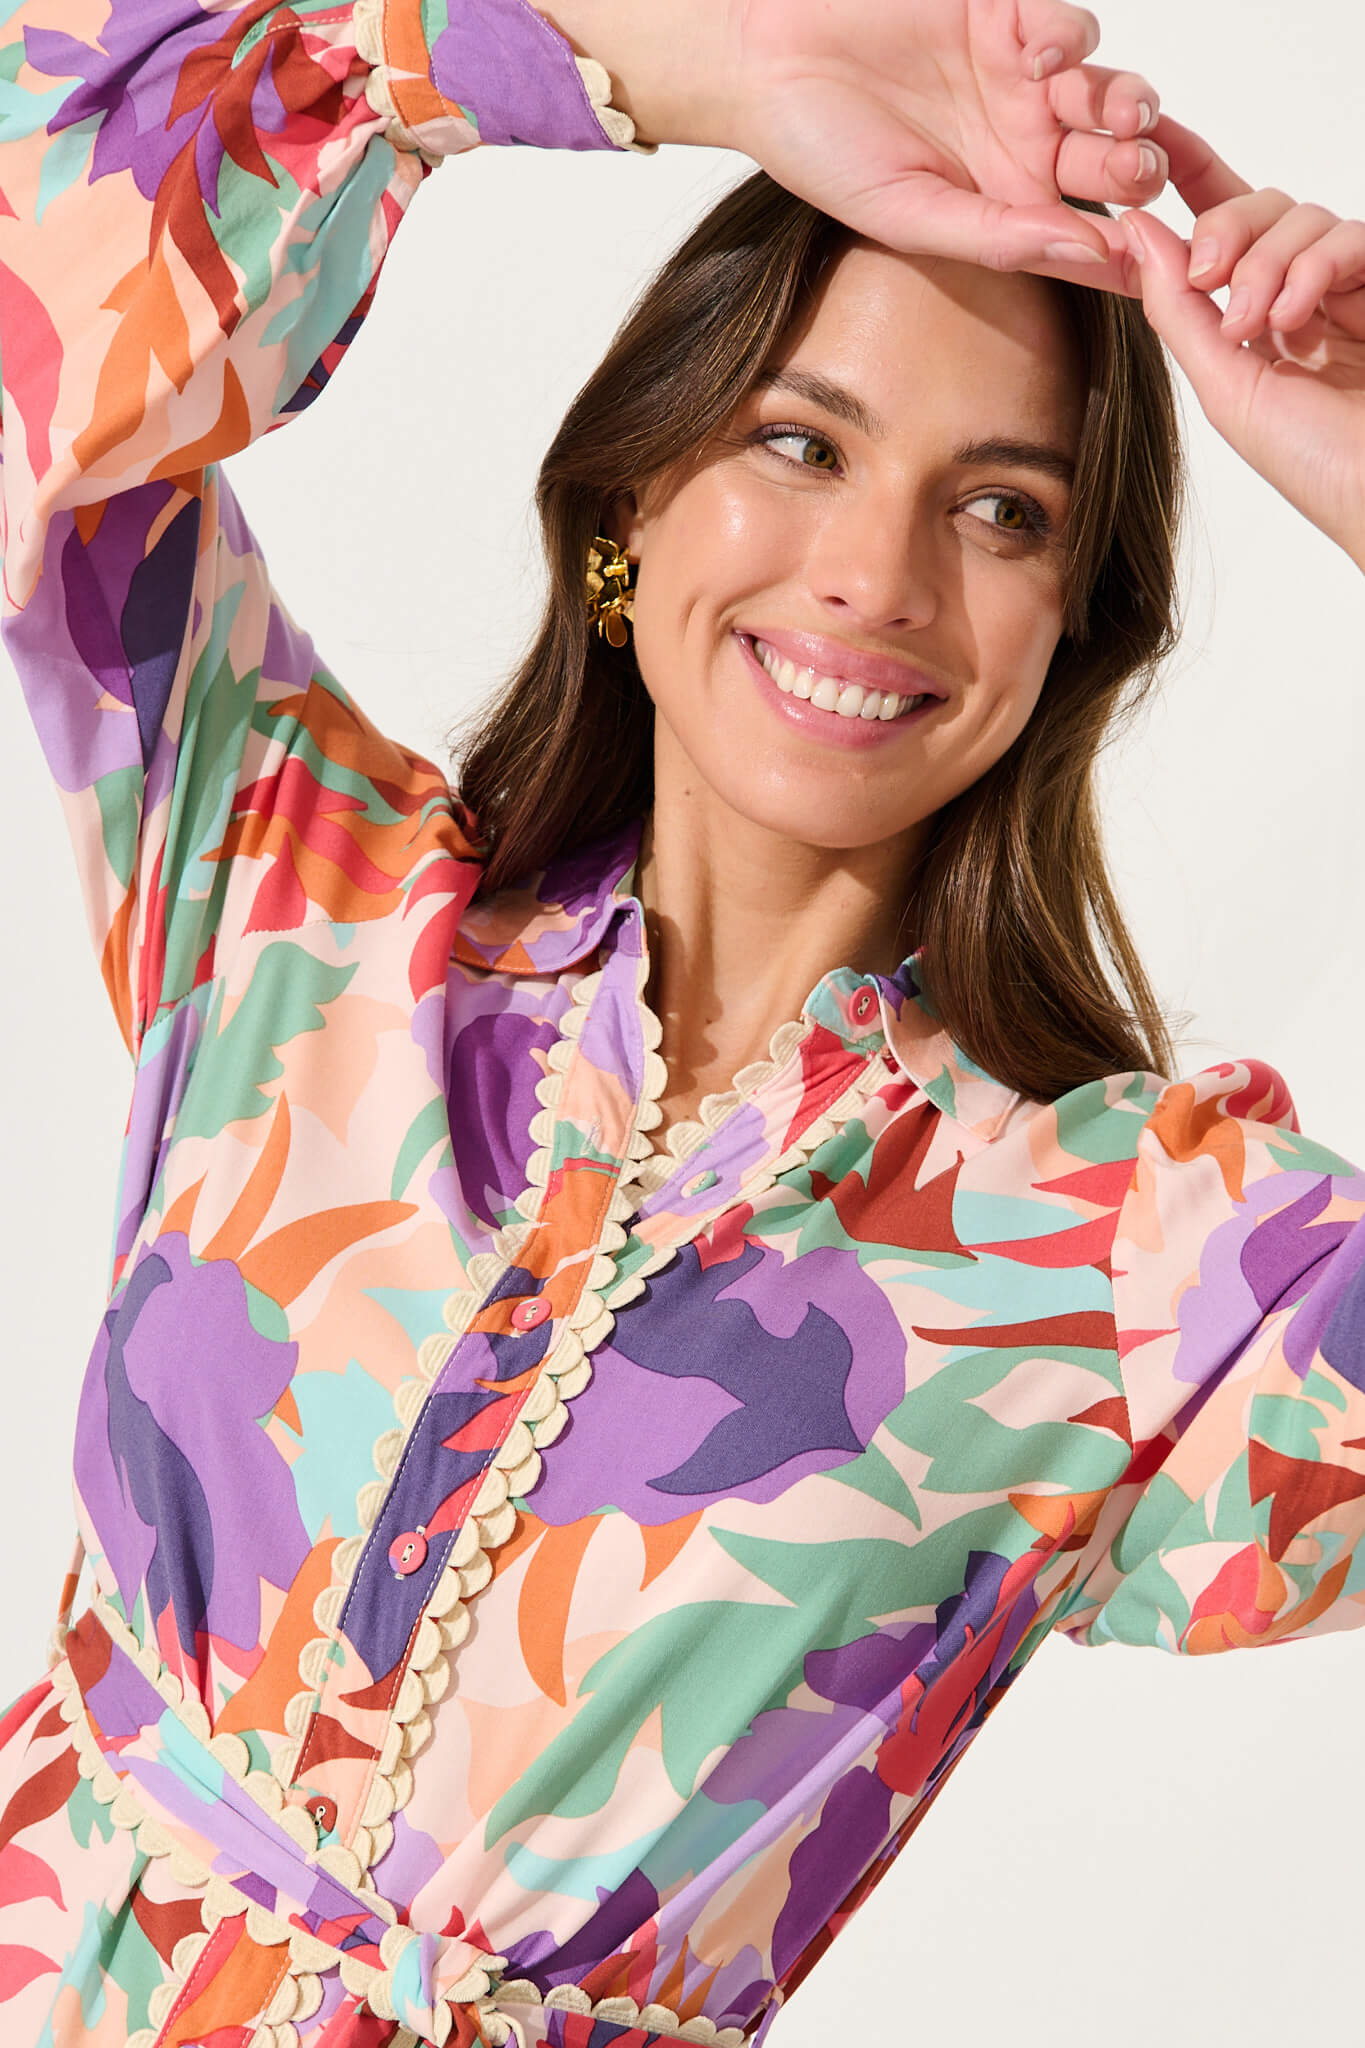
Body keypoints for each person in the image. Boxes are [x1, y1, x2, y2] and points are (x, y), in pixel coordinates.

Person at [1, 0, 1363, 2043]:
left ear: (1068, 634)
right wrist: (690, 69)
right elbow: (41, 212)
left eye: (999, 509)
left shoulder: (1129, 1268)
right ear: (631, 506)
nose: (875, 574)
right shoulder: (295, 891)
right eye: (799, 444)